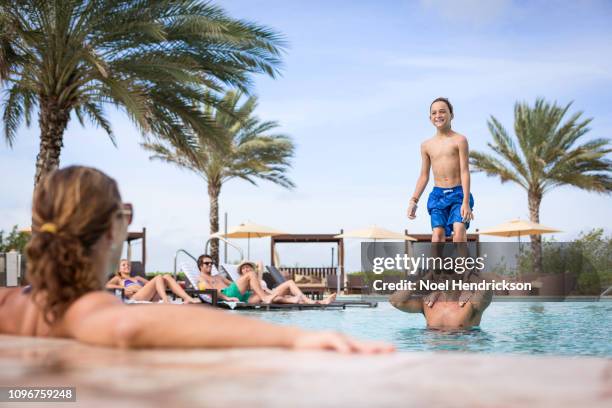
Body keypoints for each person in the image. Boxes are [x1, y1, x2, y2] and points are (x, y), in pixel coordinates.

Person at [0, 166, 393, 354]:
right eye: (126, 214)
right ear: (110, 231)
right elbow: (127, 327)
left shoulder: (13, 303)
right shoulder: (82, 308)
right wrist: (295, 337)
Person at [406, 97, 474, 243]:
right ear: (430, 118)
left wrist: (466, 202)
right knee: (437, 235)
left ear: (451, 115)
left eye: (442, 112)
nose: (438, 115)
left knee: (459, 231)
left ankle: (462, 266)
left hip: (459, 194)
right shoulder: (426, 145)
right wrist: (413, 200)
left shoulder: (460, 140)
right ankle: (438, 266)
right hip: (438, 196)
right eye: (434, 113)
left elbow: (465, 171)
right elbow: (424, 176)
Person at [197, 256, 336, 305]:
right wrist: (226, 298)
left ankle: (317, 302)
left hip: (240, 295)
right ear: (200, 266)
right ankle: (266, 298)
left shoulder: (218, 276)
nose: (209, 265)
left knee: (280, 293)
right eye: (206, 263)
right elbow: (210, 291)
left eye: (211, 263)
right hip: (226, 295)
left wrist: (254, 286)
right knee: (266, 296)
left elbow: (233, 285)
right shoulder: (200, 279)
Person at [389, 272, 492, 329]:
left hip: (461, 359)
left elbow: (487, 287)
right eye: (439, 272)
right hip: (434, 360)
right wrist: (423, 280)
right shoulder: (427, 304)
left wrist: (468, 274)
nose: (442, 275)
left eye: (448, 272)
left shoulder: (470, 304)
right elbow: (396, 301)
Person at [106, 259, 200, 304]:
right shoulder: (119, 278)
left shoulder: (137, 278)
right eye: (123, 265)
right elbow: (107, 285)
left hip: (149, 295)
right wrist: (123, 288)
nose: (127, 266)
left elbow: (153, 284)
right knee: (158, 277)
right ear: (118, 269)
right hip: (136, 296)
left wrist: (168, 283)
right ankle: (166, 300)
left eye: (128, 265)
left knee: (166, 276)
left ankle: (187, 298)